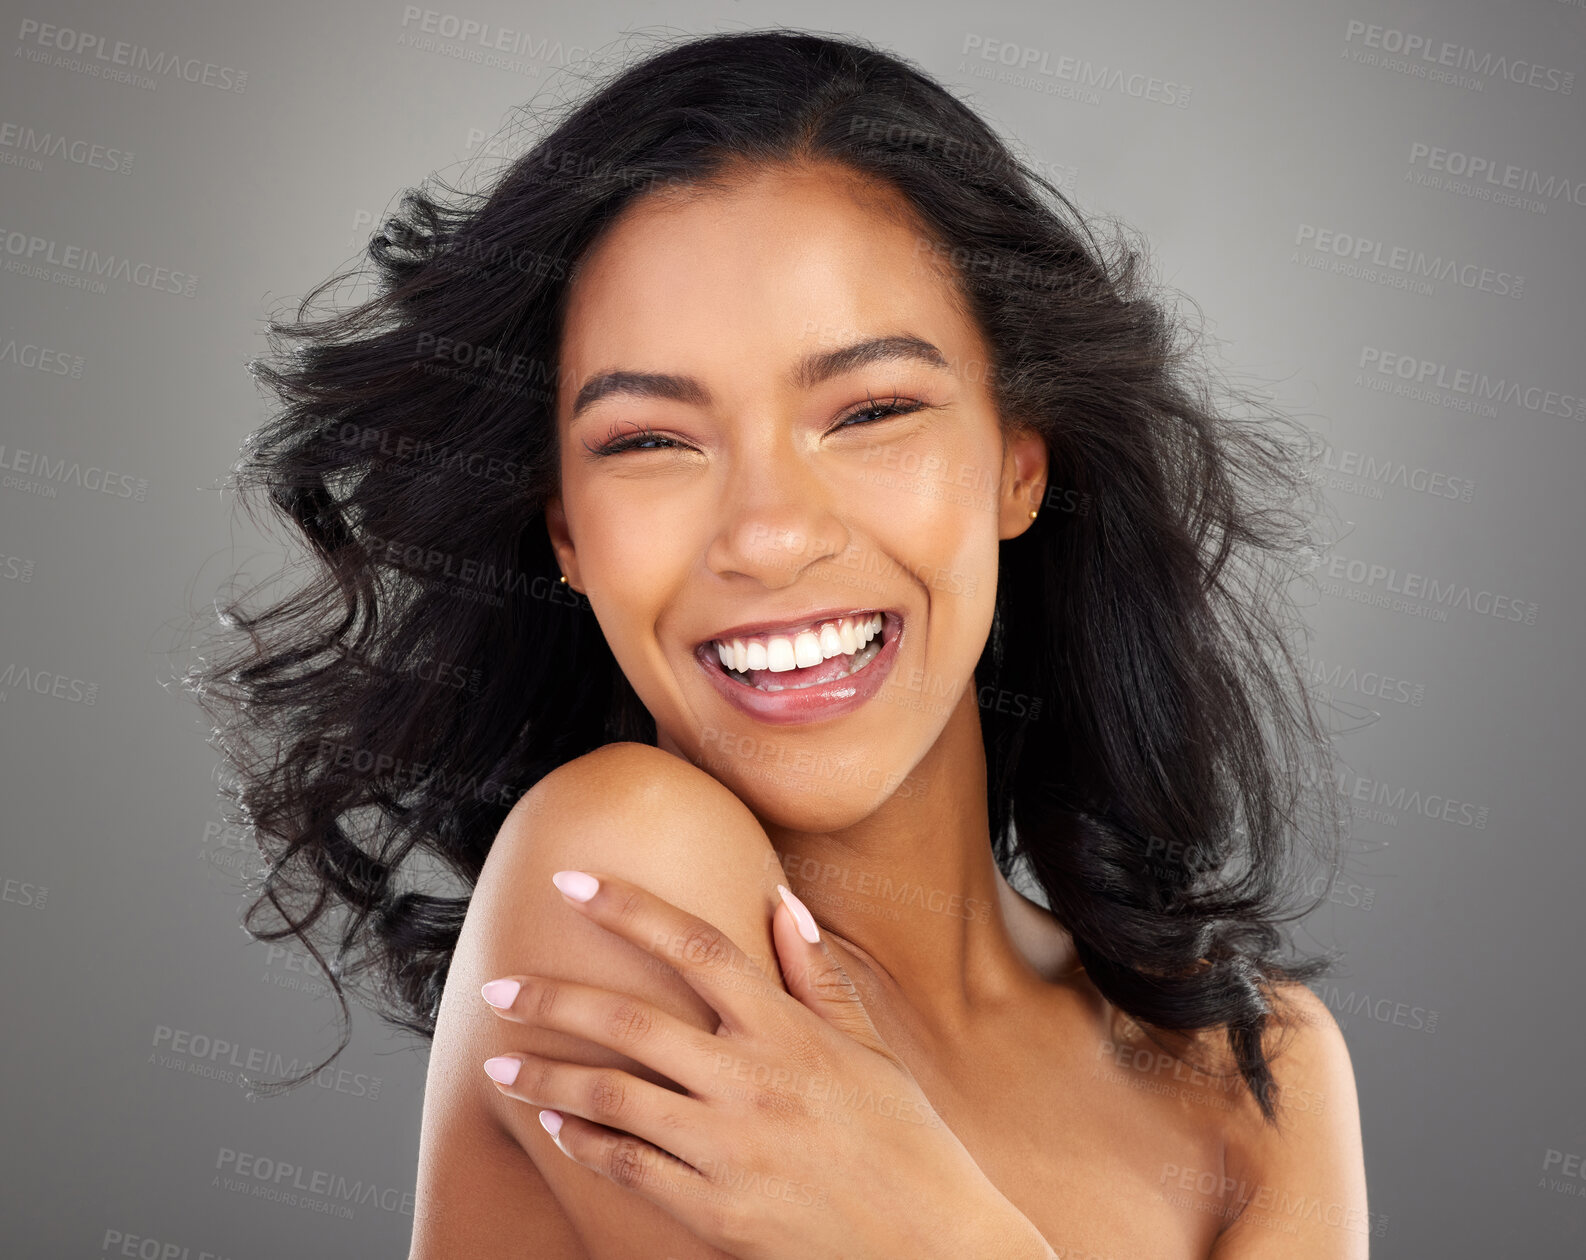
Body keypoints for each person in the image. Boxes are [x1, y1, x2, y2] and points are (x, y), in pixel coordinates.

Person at [193, 28, 1367, 1259]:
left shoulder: (1256, 1075)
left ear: (1019, 466)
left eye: (869, 411)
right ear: (567, 534)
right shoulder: (617, 873)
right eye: (648, 440)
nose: (766, 535)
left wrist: (939, 1229)